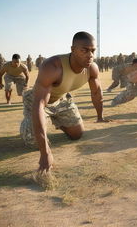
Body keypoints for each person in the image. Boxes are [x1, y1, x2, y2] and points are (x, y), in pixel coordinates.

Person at [20, 32, 108, 172]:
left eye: (92, 50)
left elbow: (96, 93)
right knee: (33, 141)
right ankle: (28, 122)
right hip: (37, 101)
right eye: (84, 50)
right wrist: (46, 152)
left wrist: (100, 116)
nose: (90, 55)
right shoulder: (53, 66)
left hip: (61, 99)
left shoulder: (92, 68)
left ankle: (57, 120)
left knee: (77, 134)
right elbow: (40, 104)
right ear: (73, 50)